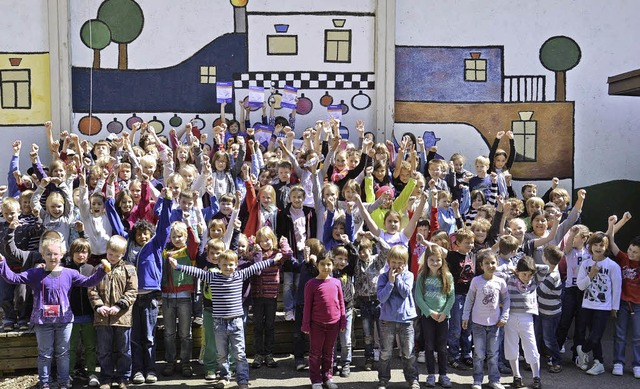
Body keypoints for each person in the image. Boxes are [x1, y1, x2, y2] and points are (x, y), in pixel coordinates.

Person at [0, 239, 107, 389]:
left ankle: (64, 383)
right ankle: (45, 384)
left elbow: (89, 282)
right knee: (45, 354)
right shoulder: (35, 273)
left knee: (63, 353)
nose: (52, 257)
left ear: (62, 254)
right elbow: (13, 278)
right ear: (42, 255)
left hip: (64, 321)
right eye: (48, 254)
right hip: (42, 321)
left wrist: (102, 270)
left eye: (55, 254)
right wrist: (2, 263)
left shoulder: (70, 273)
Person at [168, 249, 283, 389]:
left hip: (236, 322)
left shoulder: (240, 275)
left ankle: (242, 381)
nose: (228, 267)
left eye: (231, 264)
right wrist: (178, 266)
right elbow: (196, 272)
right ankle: (224, 377)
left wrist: (273, 260)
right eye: (224, 264)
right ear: (219, 265)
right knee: (221, 355)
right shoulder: (212, 277)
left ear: (236, 265)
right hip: (219, 323)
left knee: (240, 354)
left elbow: (256, 267)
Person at [88, 235, 137, 389]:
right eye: (110, 254)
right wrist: (99, 306)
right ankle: (106, 378)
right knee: (104, 350)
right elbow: (92, 290)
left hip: (122, 317)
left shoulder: (129, 269)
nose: (113, 258)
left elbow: (132, 291)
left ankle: (123, 377)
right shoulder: (98, 269)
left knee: (124, 349)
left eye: (117, 255)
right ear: (106, 251)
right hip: (102, 317)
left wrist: (119, 306)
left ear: (123, 254)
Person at [575, 232, 622, 375]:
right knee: (593, 336)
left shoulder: (612, 266)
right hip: (587, 306)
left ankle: (582, 351)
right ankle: (598, 362)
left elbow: (616, 288)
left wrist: (614, 308)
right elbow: (581, 286)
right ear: (590, 246)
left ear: (606, 246)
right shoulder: (585, 264)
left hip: (603, 307)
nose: (598, 248)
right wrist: (591, 274)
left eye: (601, 245)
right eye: (595, 244)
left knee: (595, 335)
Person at [496, 256, 547, 389]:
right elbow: (496, 271)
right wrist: (510, 268)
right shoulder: (509, 279)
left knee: (531, 348)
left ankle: (536, 377)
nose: (527, 277)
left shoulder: (534, 281)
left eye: (530, 274)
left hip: (527, 319)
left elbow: (545, 268)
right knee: (512, 348)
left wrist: (533, 268)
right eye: (524, 274)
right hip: (510, 317)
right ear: (518, 271)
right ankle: (516, 376)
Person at [462, 249, 510, 389]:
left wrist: (504, 316)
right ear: (481, 266)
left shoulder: (501, 282)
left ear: (497, 263)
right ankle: (477, 380)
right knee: (478, 354)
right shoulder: (476, 281)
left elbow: (506, 300)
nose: (490, 265)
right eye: (486, 263)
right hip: (478, 324)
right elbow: (469, 300)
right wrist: (465, 316)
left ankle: (494, 379)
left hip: (495, 324)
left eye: (493, 262)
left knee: (493, 354)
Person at [376, 245, 420, 389]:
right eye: (393, 262)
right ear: (388, 262)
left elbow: (405, 293)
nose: (396, 266)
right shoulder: (383, 277)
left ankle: (412, 379)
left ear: (405, 263)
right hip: (387, 320)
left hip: (405, 319)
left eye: (399, 263)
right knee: (385, 352)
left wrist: (398, 279)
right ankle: (383, 379)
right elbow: (381, 298)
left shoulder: (409, 275)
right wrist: (390, 282)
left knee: (408, 352)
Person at [302, 253, 346, 389]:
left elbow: (341, 303)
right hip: (317, 325)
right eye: (322, 264)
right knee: (315, 353)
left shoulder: (336, 282)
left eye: (328, 264)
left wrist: (343, 321)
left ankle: (327, 377)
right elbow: (307, 305)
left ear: (333, 265)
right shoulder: (311, 284)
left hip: (334, 324)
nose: (326, 267)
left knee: (329, 352)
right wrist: (306, 324)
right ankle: (316, 380)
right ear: (317, 265)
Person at [414, 244, 455, 388]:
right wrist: (430, 312)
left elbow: (451, 297)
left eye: (438, 260)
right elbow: (418, 297)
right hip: (428, 317)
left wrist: (444, 312)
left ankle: (443, 375)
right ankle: (430, 374)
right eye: (431, 260)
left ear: (442, 261)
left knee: (442, 347)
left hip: (444, 317)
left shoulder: (447, 276)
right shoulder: (422, 276)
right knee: (429, 346)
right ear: (426, 260)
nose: (435, 263)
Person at [607, 213, 640, 378]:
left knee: (637, 336)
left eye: (635, 252)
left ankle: (637, 365)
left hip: (638, 305)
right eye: (630, 250)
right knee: (619, 334)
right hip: (622, 303)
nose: (631, 254)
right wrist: (614, 224)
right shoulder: (623, 258)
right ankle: (618, 362)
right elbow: (611, 242)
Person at [537, 245, 564, 374]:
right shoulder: (551, 270)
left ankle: (556, 361)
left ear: (546, 259)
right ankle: (549, 357)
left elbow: (540, 292)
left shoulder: (552, 276)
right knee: (543, 336)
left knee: (549, 339)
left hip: (550, 313)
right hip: (544, 311)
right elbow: (540, 267)